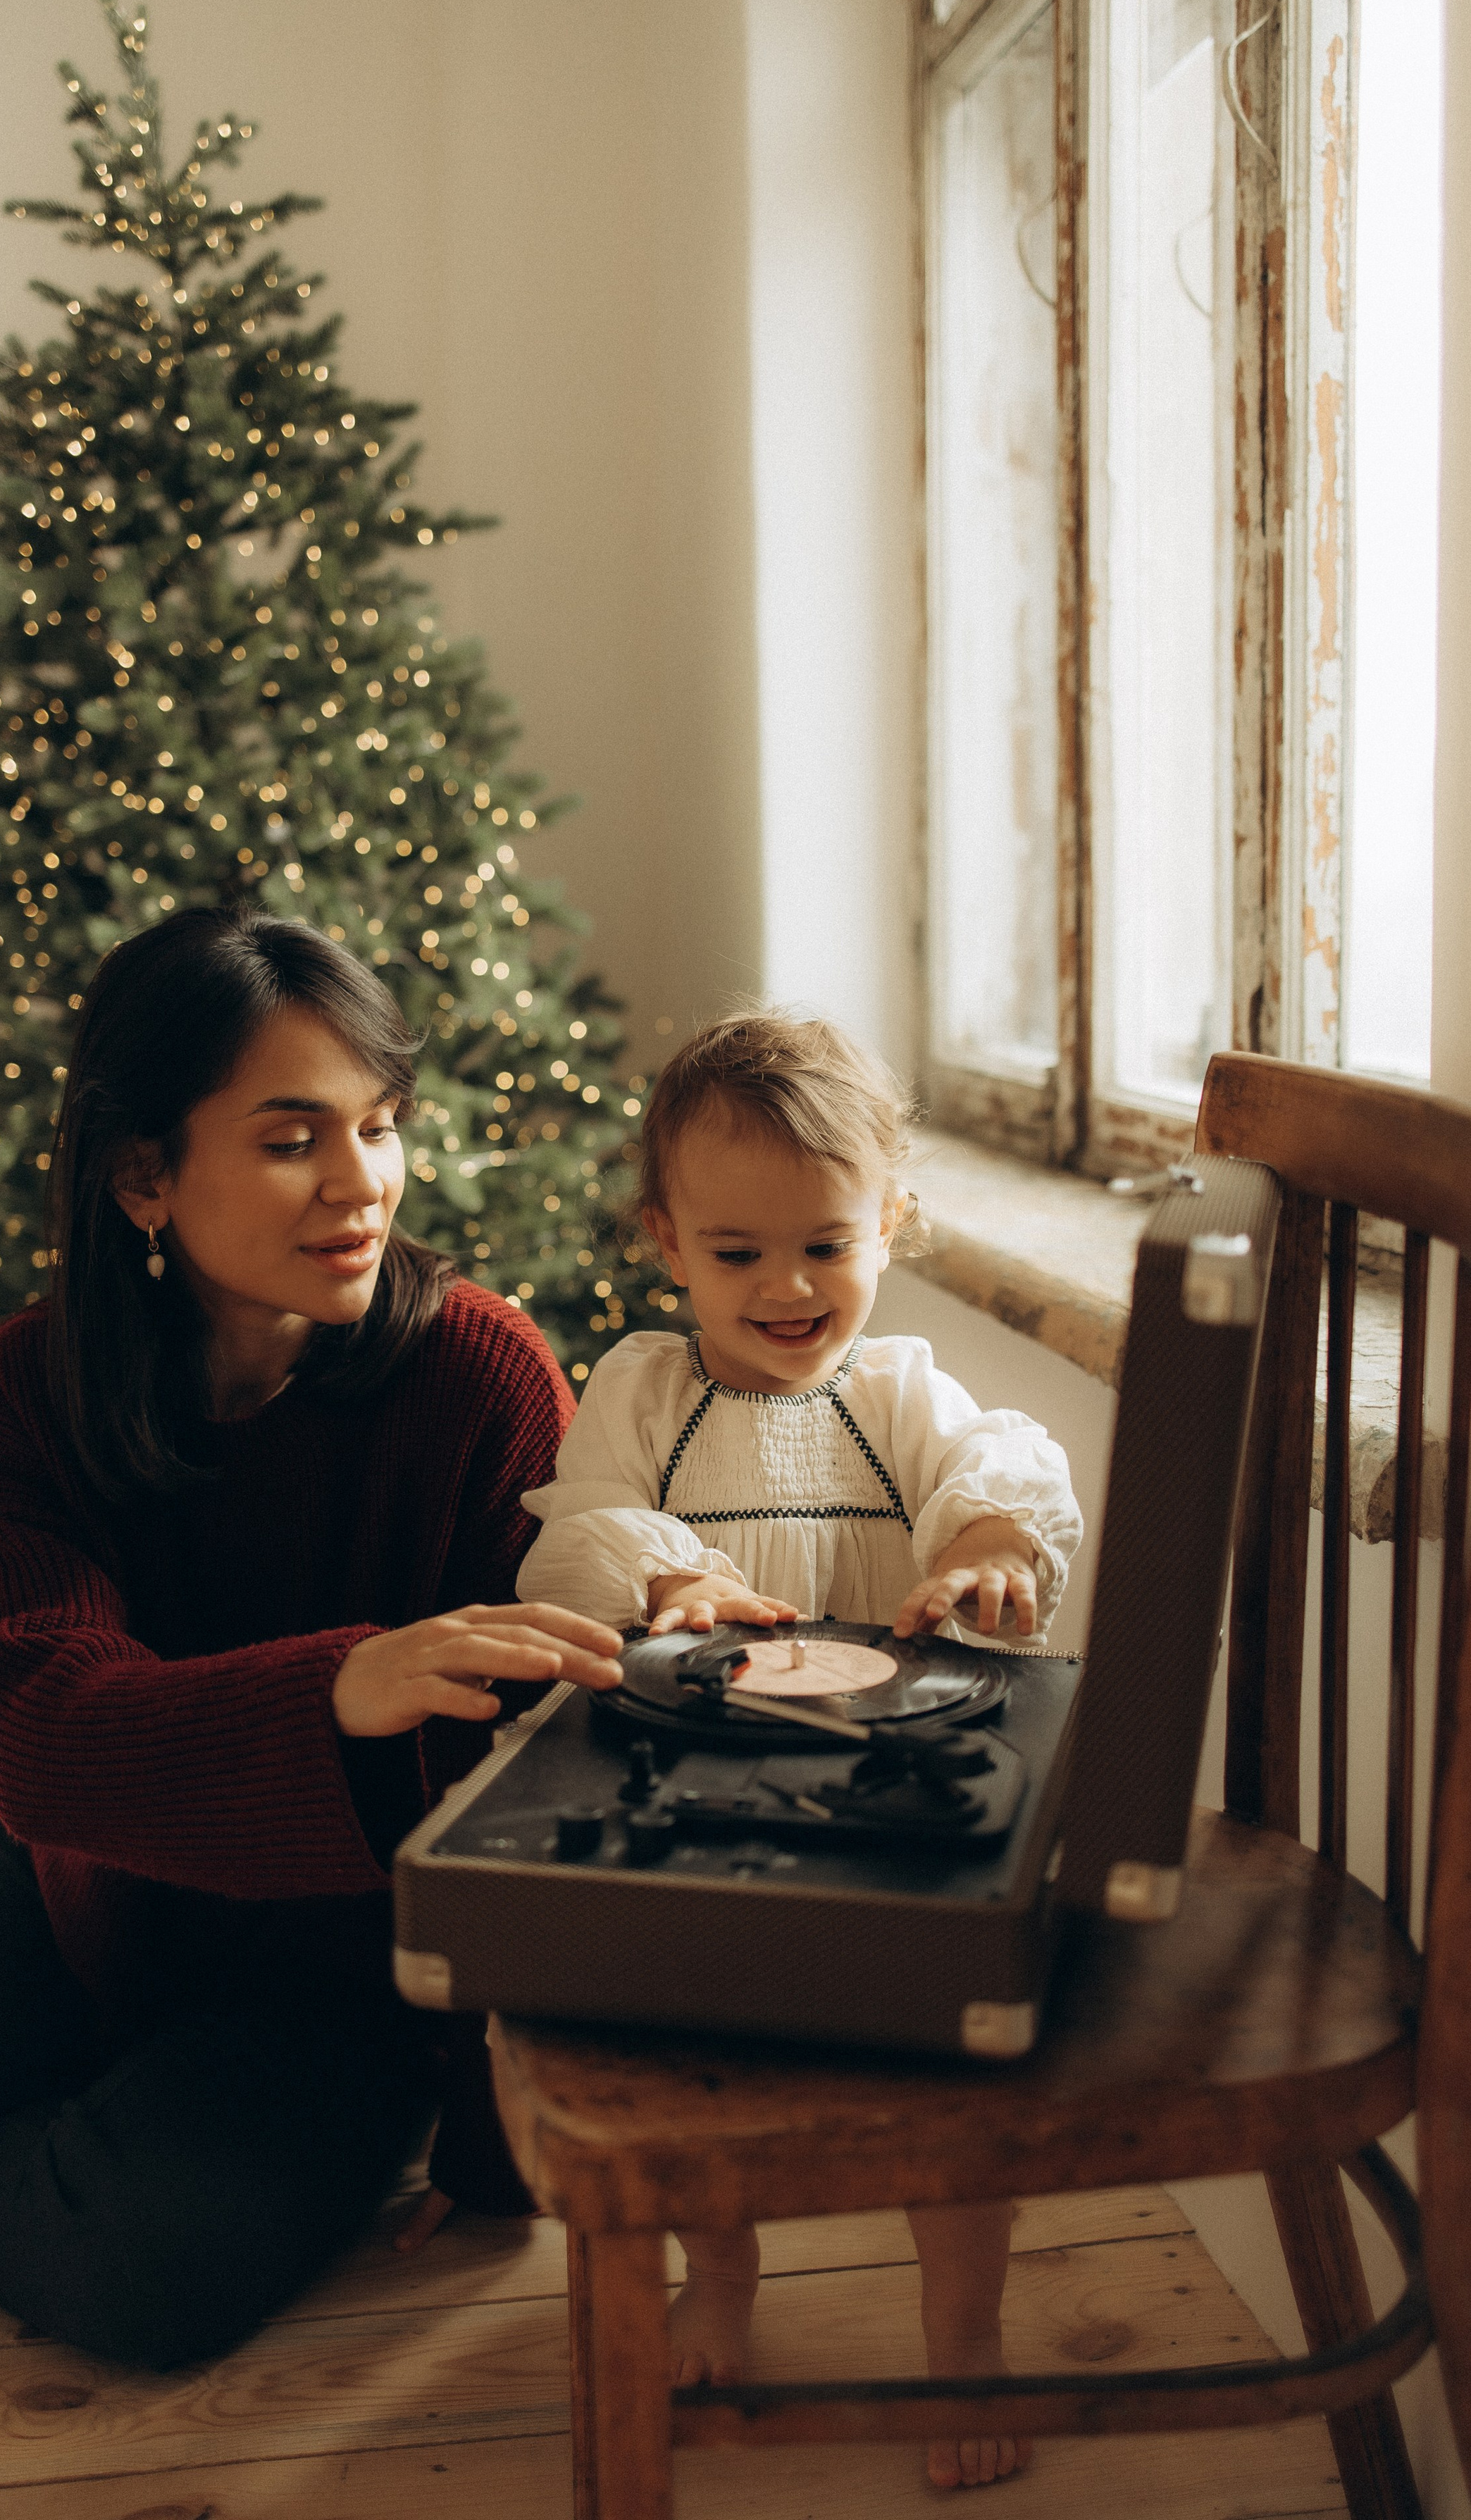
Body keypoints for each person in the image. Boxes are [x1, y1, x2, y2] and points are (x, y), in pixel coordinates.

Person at [0, 908, 623, 2367]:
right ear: (141, 1177)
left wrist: (493, 2136)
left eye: (381, 1125)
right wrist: (343, 1689)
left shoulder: (481, 1377)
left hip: (339, 1957)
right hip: (64, 1880)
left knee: (134, 2280)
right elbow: (42, 1734)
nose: (360, 1182)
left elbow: (533, 1790)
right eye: (292, 1136)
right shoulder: (12, 1399)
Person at [516, 1008, 1083, 2491]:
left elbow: (1000, 1464)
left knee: (950, 2080)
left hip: (901, 1798)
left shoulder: (896, 1392)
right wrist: (667, 1578)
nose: (785, 1288)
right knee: (708, 2069)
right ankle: (724, 2278)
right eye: (735, 1253)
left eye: (825, 1245)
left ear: (889, 1223)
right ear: (665, 1240)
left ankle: (960, 2334)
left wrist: (979, 1547)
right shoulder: (645, 1390)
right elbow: (571, 1544)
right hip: (705, 1797)